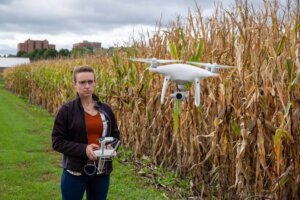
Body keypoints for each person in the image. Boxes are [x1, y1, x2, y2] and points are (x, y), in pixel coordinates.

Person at [52, 65, 120, 200]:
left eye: (90, 81)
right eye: (82, 82)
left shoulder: (105, 109)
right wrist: (84, 149)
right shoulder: (66, 110)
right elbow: (57, 142)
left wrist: (110, 146)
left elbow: (115, 134)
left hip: (101, 171)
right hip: (74, 172)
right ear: (75, 84)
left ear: (95, 83)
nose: (87, 86)